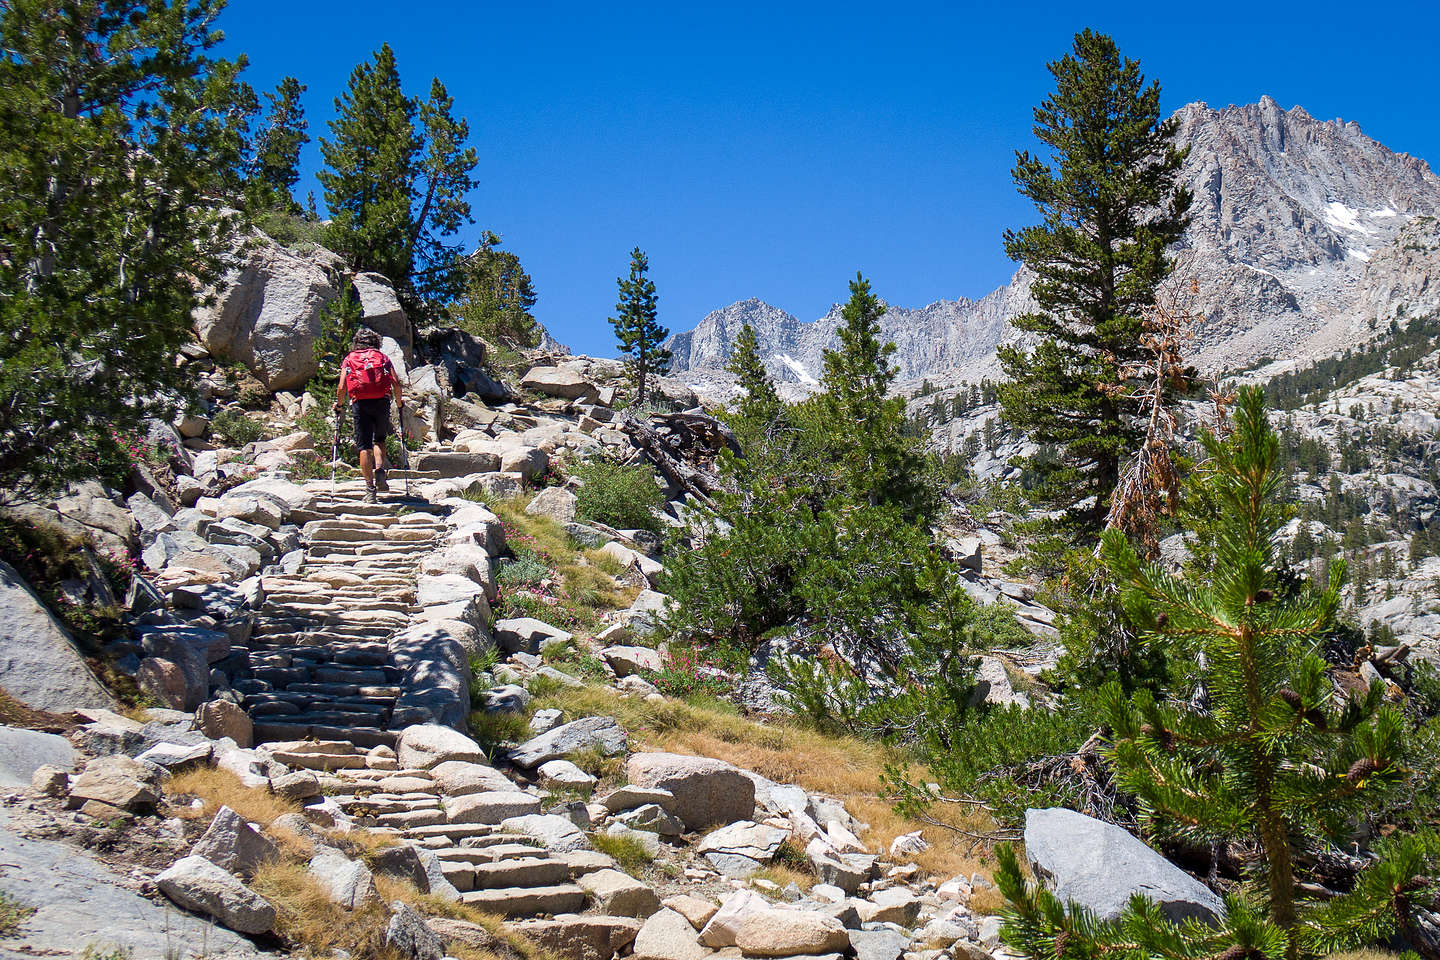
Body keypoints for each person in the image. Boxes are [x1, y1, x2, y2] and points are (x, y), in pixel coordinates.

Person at [334, 328, 404, 503]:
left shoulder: (349, 359)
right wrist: (399, 402)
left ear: (356, 342)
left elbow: (342, 386)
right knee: (379, 439)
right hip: (382, 401)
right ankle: (380, 471)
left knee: (364, 446)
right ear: (376, 343)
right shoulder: (382, 358)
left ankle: (370, 489)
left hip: (360, 402)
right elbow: (396, 383)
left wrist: (340, 405)